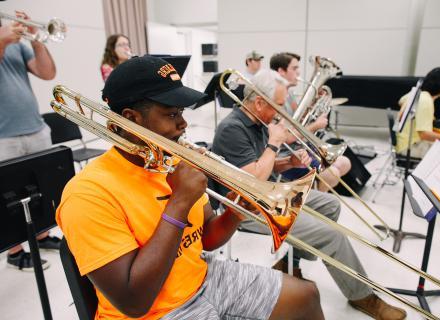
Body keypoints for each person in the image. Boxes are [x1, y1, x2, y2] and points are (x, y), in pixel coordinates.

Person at [56, 55, 324, 320]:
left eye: (182, 112)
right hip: (155, 313)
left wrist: (235, 212)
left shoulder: (171, 160)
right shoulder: (87, 193)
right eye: (172, 114)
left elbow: (207, 238)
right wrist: (179, 202)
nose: (183, 124)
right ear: (131, 118)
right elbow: (134, 302)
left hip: (202, 278)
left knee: (306, 295)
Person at [211, 69, 407, 320]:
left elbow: (262, 165)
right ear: (259, 102)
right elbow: (252, 180)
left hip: (271, 194)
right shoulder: (232, 129)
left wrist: (288, 162)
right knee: (331, 236)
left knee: (330, 205)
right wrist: (274, 143)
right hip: (246, 208)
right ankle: (363, 296)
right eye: (279, 105)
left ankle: (289, 264)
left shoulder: (258, 122)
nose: (282, 112)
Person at [0, 10, 61, 271]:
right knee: (8, 196)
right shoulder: (5, 42)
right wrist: (2, 41)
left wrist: (36, 39)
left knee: (41, 189)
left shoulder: (17, 46)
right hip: (4, 136)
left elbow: (47, 73)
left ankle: (43, 235)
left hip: (35, 128)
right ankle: (14, 251)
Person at [270, 52, 351, 191]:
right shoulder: (275, 97)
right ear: (281, 71)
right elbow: (286, 138)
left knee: (345, 163)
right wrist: (315, 125)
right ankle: (317, 200)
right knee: (333, 175)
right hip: (286, 156)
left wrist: (315, 102)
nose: (299, 72)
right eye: (294, 68)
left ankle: (317, 193)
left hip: (301, 148)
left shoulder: (288, 93)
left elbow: (300, 119)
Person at [396, 67, 440, 158]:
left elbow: (401, 101)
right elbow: (424, 134)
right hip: (410, 147)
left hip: (400, 143)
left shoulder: (416, 94)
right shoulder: (426, 101)